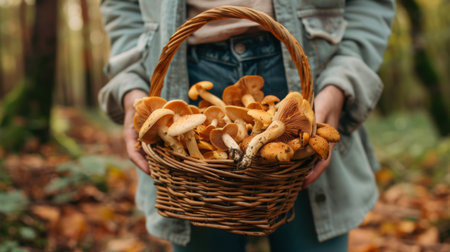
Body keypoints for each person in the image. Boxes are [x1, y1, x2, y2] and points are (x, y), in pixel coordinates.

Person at [98, 1, 395, 251]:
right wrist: (131, 85)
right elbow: (121, 7)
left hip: (309, 76)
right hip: (179, 76)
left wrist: (342, 82)